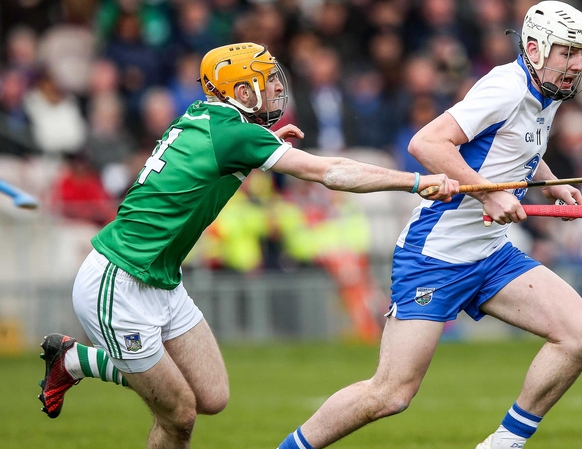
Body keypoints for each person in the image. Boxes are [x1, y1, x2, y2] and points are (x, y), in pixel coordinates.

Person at [36, 42, 458, 449]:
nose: (276, 87)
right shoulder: (237, 136)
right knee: (179, 415)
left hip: (161, 281)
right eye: (266, 81)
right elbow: (331, 171)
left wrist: (266, 139)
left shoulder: (209, 117)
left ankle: (73, 361)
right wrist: (417, 182)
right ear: (241, 92)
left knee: (212, 397)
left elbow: (227, 149)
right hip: (119, 282)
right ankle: (78, 364)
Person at [275, 3, 582, 449]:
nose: (577, 65)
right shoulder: (505, 87)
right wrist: (489, 193)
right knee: (391, 394)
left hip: (491, 254)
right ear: (534, 47)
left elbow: (509, 141)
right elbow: (426, 143)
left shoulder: (545, 93)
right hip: (437, 255)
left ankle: (504, 442)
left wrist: (548, 182)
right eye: (568, 52)